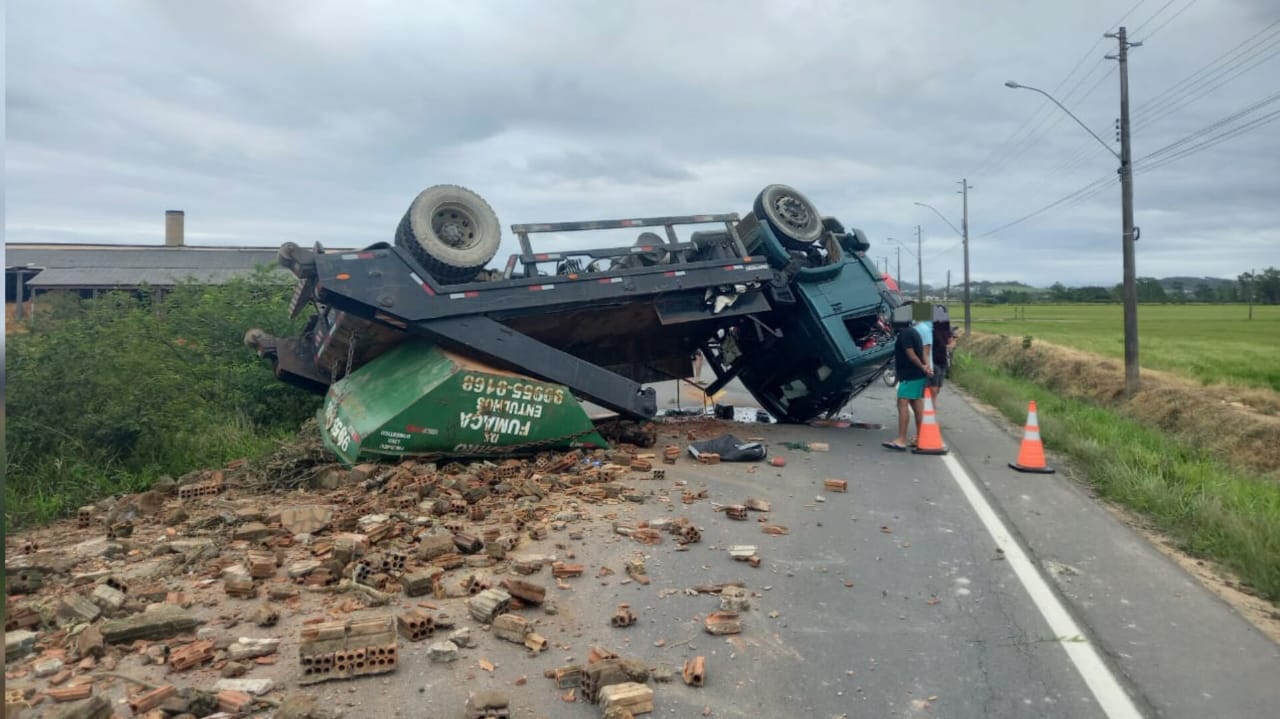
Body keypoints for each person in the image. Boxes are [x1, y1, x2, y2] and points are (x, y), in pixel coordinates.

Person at [883, 316, 933, 451]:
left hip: (911, 375)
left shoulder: (904, 334)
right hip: (916, 375)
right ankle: (921, 437)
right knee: (916, 403)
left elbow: (911, 355)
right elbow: (922, 351)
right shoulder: (913, 332)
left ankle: (901, 439)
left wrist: (923, 366)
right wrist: (926, 367)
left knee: (902, 402)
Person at [930, 305, 954, 403]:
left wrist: (950, 345)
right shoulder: (930, 328)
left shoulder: (946, 328)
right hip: (933, 360)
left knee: (938, 386)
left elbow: (951, 341)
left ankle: (931, 402)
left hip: (943, 360)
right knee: (934, 386)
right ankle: (932, 405)